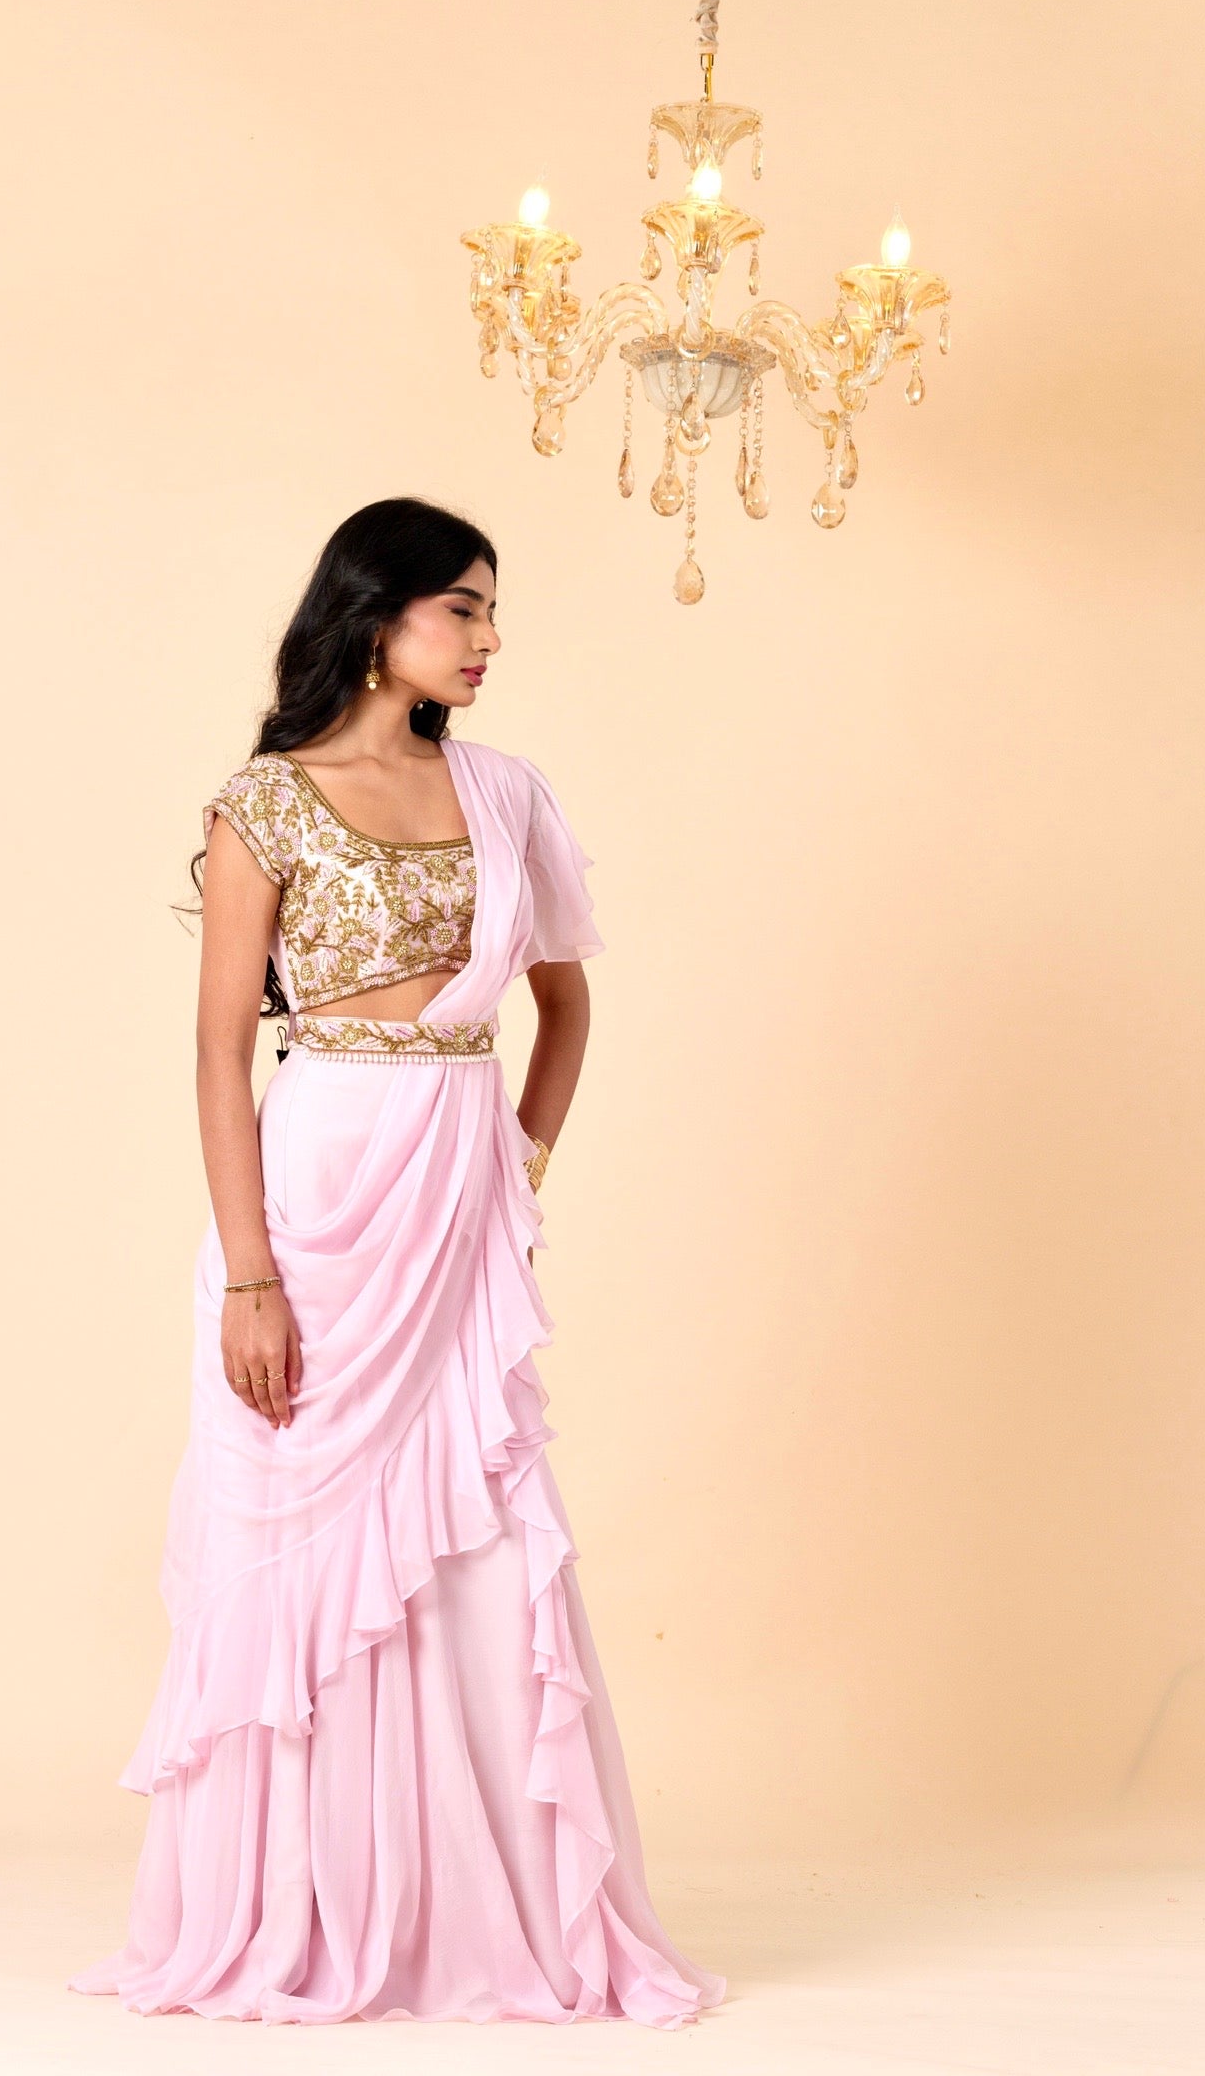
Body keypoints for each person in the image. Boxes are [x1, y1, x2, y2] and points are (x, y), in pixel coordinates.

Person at [67, 497, 726, 2025]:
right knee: (292, 1536)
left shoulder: (505, 792)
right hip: (315, 1189)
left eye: (493, 615)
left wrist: (519, 1162)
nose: (490, 642)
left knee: (481, 1527)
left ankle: (480, 1912)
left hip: (452, 1190)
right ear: (378, 617)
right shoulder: (267, 803)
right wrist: (249, 1275)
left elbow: (564, 1007)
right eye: (464, 611)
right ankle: (297, 1909)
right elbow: (221, 1051)